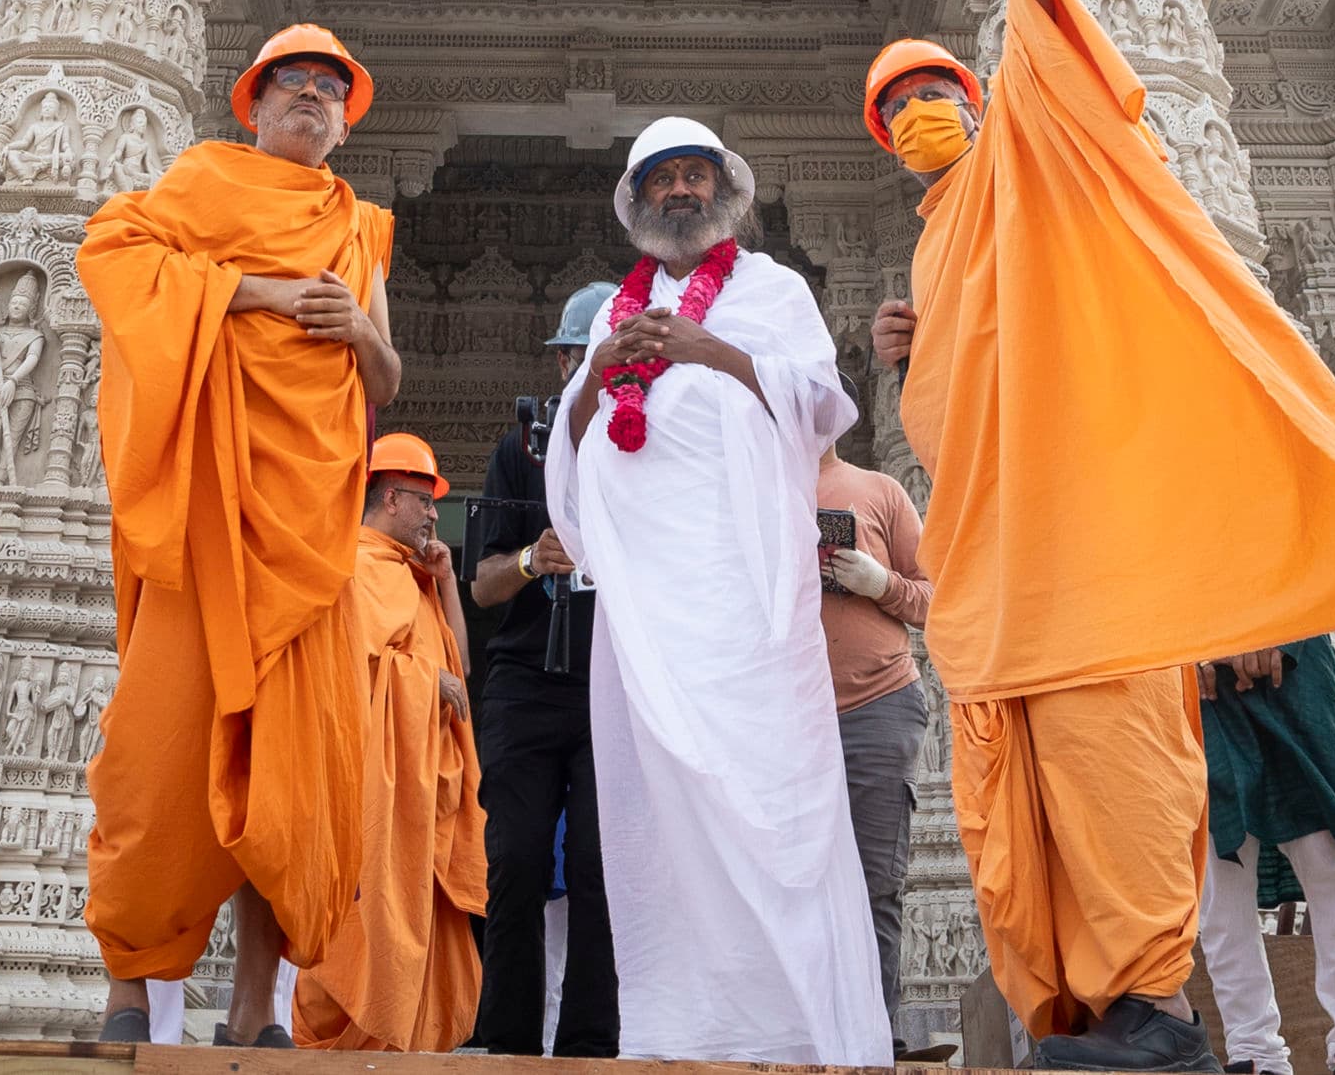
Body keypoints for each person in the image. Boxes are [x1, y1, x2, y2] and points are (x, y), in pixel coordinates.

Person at [867, 0, 1335, 1072]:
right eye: (897, 105)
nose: (919, 110)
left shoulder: (1020, 172)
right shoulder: (935, 243)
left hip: (1082, 554)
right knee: (1010, 794)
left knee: (1115, 775)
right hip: (988, 560)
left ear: (975, 105)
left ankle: (1157, 1014)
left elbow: (1055, 94)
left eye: (935, 91)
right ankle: (1073, 1010)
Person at [77, 23, 399, 1048]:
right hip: (204, 524)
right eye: (290, 84)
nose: (309, 99)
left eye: (327, 90)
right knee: (158, 756)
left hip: (306, 539)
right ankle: (132, 991)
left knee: (290, 777)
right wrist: (250, 290)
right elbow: (113, 255)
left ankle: (254, 1009)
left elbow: (383, 382)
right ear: (251, 107)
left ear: (345, 122)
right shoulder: (201, 185)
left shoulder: (361, 227)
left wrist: (358, 332)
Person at [546, 117, 889, 1067]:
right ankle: (682, 1030)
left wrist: (709, 350)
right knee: (658, 811)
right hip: (648, 607)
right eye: (663, 181)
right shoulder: (613, 311)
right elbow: (568, 463)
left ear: (724, 193)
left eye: (696, 176)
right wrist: (597, 377)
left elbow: (824, 408)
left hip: (744, 591)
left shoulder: (770, 291)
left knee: (768, 796)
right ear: (637, 203)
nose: (681, 192)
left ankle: (793, 1032)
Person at [293, 432, 485, 1053]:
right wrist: (427, 681)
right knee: (366, 914)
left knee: (415, 919)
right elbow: (359, 666)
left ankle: (405, 1049)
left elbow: (459, 665)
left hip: (424, 788)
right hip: (375, 783)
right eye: (427, 500)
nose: (434, 514)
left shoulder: (416, 575)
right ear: (393, 497)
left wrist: (449, 583)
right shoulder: (357, 564)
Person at [471, 283, 620, 1060]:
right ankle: (506, 1044)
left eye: (603, 360)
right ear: (563, 362)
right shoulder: (516, 449)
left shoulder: (645, 446)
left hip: (614, 685)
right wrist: (534, 559)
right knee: (516, 859)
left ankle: (592, 1046)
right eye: (577, 358)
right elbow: (482, 583)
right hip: (527, 682)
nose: (587, 373)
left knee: (602, 868)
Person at [1197, 637, 1335, 1075]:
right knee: (1221, 863)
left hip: (1297, 654)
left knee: (1328, 853)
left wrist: (1276, 629)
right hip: (1198, 663)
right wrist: (1199, 644)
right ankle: (1253, 1052)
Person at [816, 411, 934, 1032]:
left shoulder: (880, 490)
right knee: (791, 880)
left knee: (873, 883)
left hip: (876, 706)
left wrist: (879, 581)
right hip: (786, 718)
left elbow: (938, 596)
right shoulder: (756, 492)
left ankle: (872, 1040)